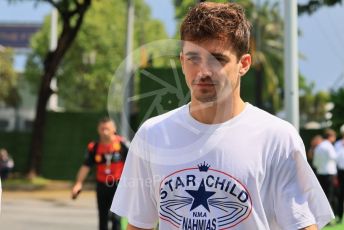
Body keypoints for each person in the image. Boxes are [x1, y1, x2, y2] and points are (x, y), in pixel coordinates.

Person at [111, 2, 334, 230]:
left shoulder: (277, 138)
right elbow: (138, 225)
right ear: (181, 61)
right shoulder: (153, 134)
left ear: (244, 64)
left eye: (217, 59)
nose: (203, 71)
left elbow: (302, 225)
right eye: (193, 58)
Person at [71, 117, 128, 230]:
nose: (105, 132)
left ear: (114, 129)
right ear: (98, 129)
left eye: (107, 128)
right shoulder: (94, 147)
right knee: (103, 217)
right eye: (102, 129)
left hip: (117, 185)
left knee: (116, 217)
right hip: (101, 185)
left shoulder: (122, 144)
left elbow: (134, 163)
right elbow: (86, 166)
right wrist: (78, 184)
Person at [313, 129, 338, 216]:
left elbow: (315, 163)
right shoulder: (328, 146)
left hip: (320, 173)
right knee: (330, 196)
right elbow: (334, 157)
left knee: (322, 197)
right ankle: (329, 216)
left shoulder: (319, 146)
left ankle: (322, 215)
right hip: (329, 174)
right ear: (330, 137)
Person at [335, 124, 344, 223]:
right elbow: (335, 158)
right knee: (340, 195)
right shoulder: (338, 144)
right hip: (341, 171)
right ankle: (340, 216)